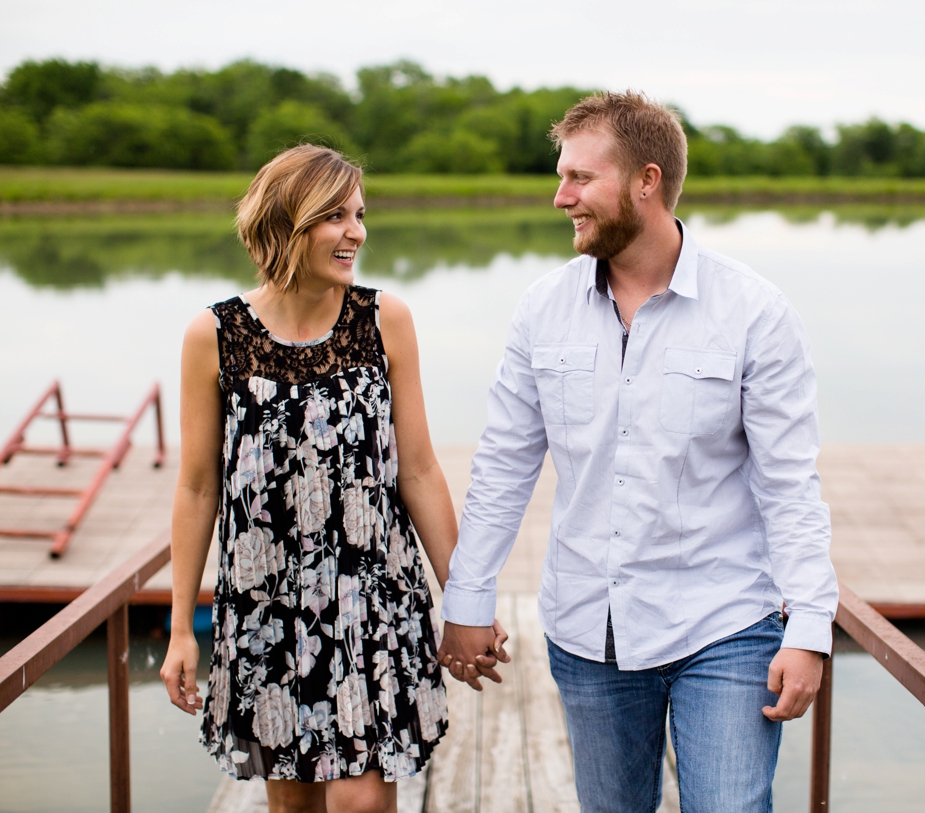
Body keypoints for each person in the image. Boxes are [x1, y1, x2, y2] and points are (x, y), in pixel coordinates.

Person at [436, 92, 839, 813]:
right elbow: (503, 466)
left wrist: (810, 625)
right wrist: (467, 596)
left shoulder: (755, 312)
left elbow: (789, 485)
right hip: (590, 628)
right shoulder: (542, 309)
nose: (562, 197)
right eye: (562, 177)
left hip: (725, 623)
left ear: (646, 182)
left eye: (580, 179)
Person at [160, 144, 503, 813]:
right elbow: (197, 486)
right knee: (294, 805)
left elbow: (421, 469)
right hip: (267, 608)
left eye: (360, 214)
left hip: (371, 602)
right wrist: (180, 628)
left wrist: (466, 599)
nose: (356, 232)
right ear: (287, 222)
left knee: (362, 802)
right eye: (335, 216)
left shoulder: (385, 321)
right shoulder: (216, 334)